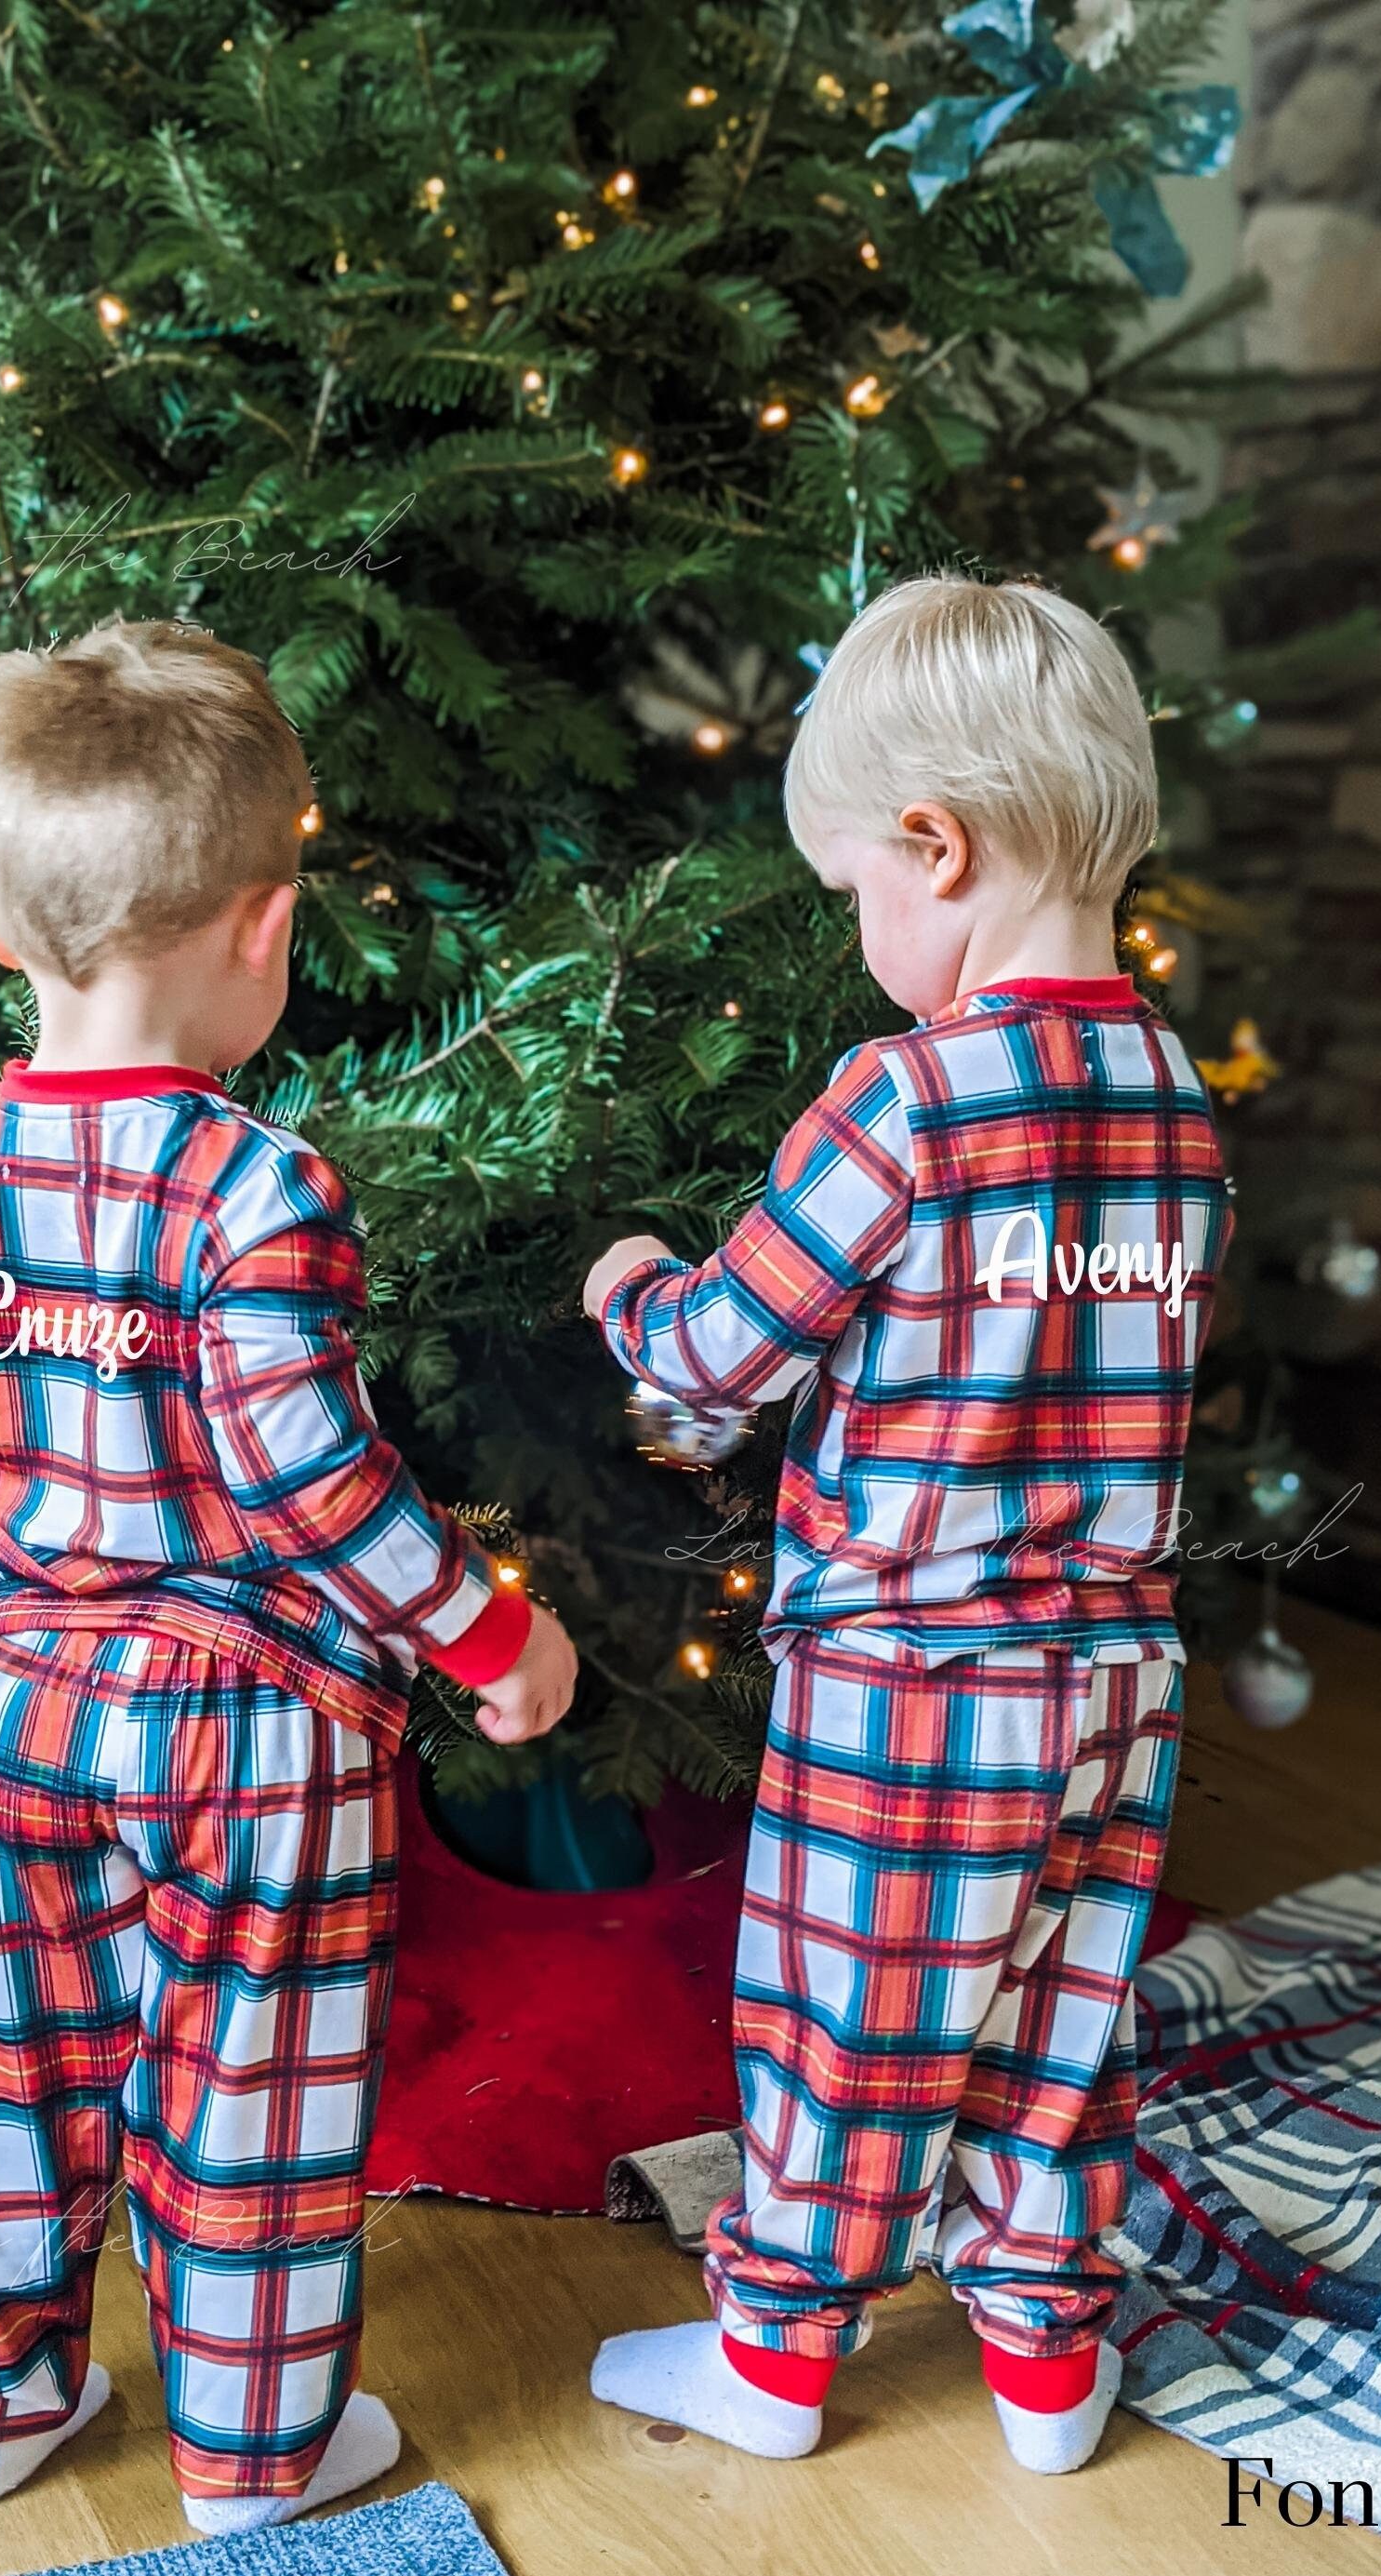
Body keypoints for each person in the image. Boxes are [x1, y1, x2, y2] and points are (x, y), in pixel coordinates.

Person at [0, 618, 576, 2529]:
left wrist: (63, 1510)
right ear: (268, 928)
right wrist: (487, 1630)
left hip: (21, 1694)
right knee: (254, 2069)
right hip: (258, 1724)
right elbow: (310, 1472)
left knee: (8, 2053)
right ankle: (254, 2449)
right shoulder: (258, 1187)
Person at [581, 574, 1232, 2477]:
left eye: (860, 887)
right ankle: (1046, 2363)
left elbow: (723, 1354)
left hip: (909, 1681)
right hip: (1119, 1674)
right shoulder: (1176, 1099)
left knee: (844, 2032)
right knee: (1060, 2017)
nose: (866, 928)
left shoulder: (909, 1096)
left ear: (936, 848)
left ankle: (777, 2363)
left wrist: (633, 1287)